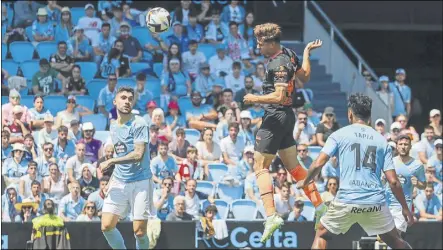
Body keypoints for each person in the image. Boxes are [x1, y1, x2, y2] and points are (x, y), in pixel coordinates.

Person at [297, 93, 414, 249]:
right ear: (369, 116)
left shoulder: (338, 135)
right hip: (375, 203)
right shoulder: (381, 141)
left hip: (347, 200)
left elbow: (319, 162)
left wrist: (305, 181)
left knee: (322, 233)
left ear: (350, 113)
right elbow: (393, 181)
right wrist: (405, 208)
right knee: (395, 241)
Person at [242, 23, 325, 242]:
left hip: (275, 116)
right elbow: (305, 76)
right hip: (287, 117)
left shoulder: (278, 62)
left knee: (260, 167)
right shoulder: (289, 54)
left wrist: (254, 99)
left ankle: (271, 215)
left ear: (271, 43)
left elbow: (278, 96)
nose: (258, 46)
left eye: (260, 43)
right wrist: (306, 52)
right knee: (294, 167)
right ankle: (320, 206)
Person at [99, 86, 153, 250]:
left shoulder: (139, 123)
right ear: (115, 101)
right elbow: (121, 150)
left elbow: (138, 154)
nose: (127, 101)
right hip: (119, 181)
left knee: (140, 232)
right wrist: (112, 179)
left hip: (141, 181)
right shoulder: (113, 125)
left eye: (130, 98)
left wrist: (111, 162)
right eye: (123, 98)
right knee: (106, 226)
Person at [385, 134, 426, 234]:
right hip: (386, 204)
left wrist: (417, 184)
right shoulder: (389, 162)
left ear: (410, 147)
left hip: (403, 207)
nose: (403, 147)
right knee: (388, 238)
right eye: (401, 144)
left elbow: (424, 185)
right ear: (397, 146)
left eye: (406, 144)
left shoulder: (417, 165)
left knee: (395, 235)